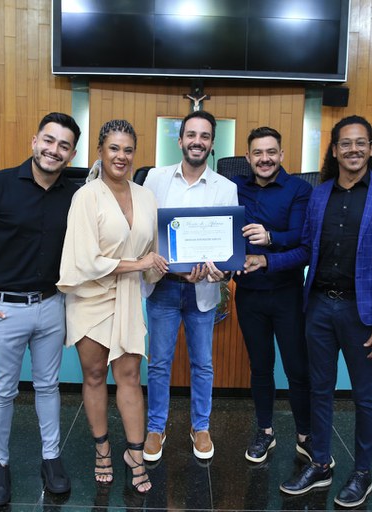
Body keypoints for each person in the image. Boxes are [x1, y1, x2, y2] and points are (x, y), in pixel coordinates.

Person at [244, 115, 372, 507]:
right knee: (319, 390)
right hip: (317, 306)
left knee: (363, 396)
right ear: (334, 150)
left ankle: (362, 473)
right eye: (345, 143)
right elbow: (304, 249)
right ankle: (320, 463)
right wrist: (266, 260)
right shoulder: (319, 195)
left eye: (360, 143)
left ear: (370, 148)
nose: (353, 149)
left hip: (363, 313)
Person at [0, 112, 81, 507]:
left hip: (52, 306)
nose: (54, 150)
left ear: (71, 154)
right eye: (49, 140)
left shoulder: (74, 196)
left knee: (48, 387)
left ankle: (51, 458)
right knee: (2, 392)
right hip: (3, 309)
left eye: (63, 145)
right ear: (34, 141)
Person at [56, 120, 167, 494]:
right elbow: (85, 260)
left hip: (128, 296)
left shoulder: (146, 196)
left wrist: (170, 264)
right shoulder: (86, 197)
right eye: (114, 148)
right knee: (93, 375)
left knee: (130, 376)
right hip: (90, 297)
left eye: (128, 149)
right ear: (100, 152)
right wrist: (140, 264)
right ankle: (102, 449)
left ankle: (135, 454)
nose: (122, 156)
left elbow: (154, 253)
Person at [141, 110, 238, 461]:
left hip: (203, 291)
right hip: (163, 287)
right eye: (191, 135)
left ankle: (201, 426)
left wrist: (220, 270)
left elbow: (227, 246)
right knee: (159, 363)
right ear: (180, 140)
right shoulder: (154, 179)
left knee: (203, 363)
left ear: (212, 144)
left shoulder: (226, 188)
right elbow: (144, 231)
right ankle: (156, 427)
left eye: (205, 136)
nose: (197, 141)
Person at [231, 127, 313, 463]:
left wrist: (270, 240)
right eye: (257, 153)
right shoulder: (234, 188)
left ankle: (305, 435)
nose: (264, 159)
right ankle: (265, 431)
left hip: (287, 294)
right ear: (247, 157)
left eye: (271, 152)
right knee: (260, 367)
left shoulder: (300, 190)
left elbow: (304, 244)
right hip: (248, 293)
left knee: (297, 367)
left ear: (281, 154)